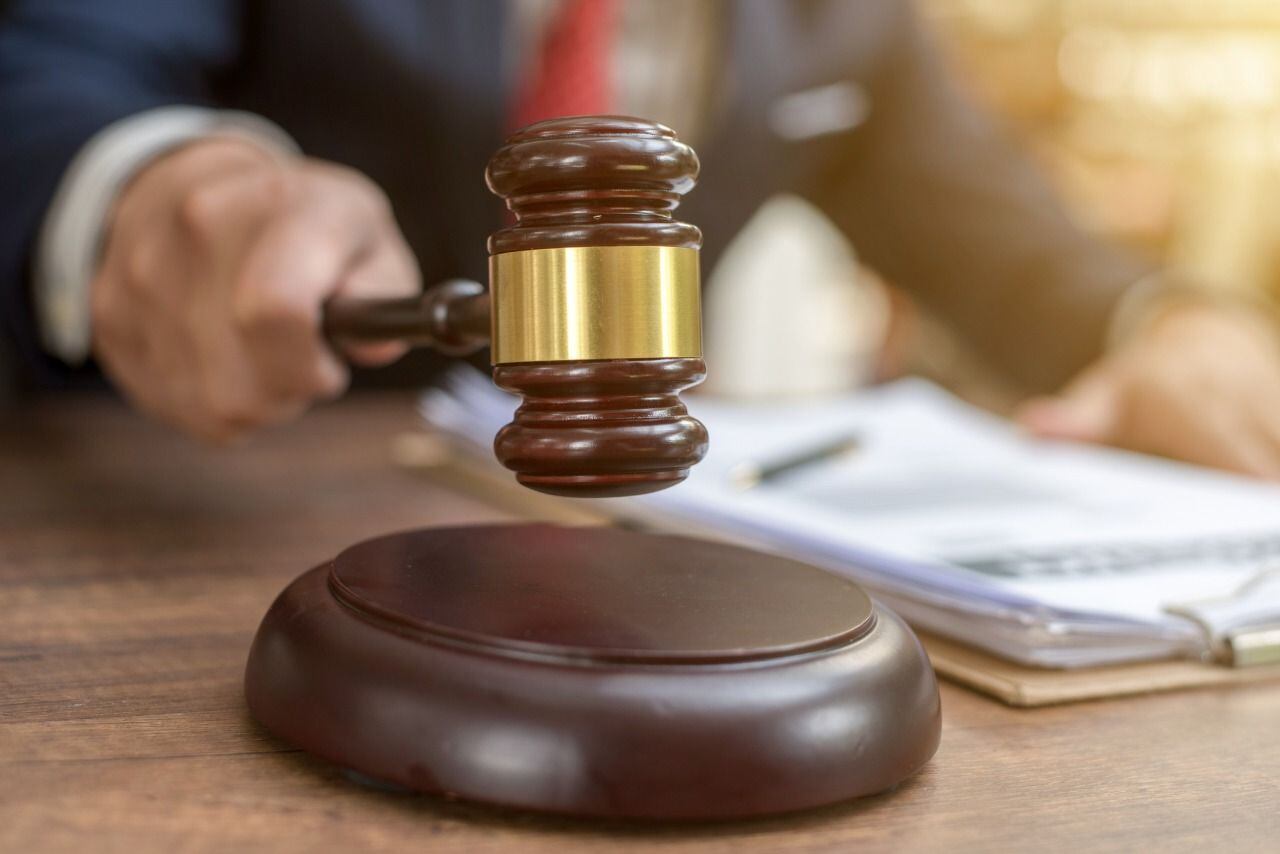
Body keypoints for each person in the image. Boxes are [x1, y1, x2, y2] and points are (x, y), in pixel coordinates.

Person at [2, 0, 1279, 475]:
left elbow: (1010, 242)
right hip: (201, 487)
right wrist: (155, 185)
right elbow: (54, 64)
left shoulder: (847, 20)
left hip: (610, 543)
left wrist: (1170, 324)